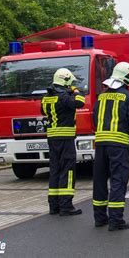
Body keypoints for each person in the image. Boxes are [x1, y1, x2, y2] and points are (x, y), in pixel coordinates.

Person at [92, 61, 129, 231]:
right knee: (118, 180)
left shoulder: (101, 96)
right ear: (127, 78)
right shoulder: (128, 97)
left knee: (99, 180)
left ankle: (100, 217)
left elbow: (94, 118)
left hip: (100, 144)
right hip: (118, 145)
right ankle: (116, 220)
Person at [41, 68, 85, 216]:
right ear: (65, 81)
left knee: (54, 171)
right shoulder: (64, 97)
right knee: (68, 170)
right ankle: (66, 206)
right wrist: (76, 90)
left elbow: (43, 111)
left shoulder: (46, 97)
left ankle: (54, 206)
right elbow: (80, 102)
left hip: (52, 139)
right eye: (69, 83)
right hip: (65, 139)